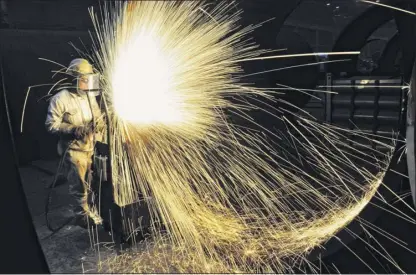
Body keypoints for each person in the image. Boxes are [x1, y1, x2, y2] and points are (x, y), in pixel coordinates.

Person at [45, 58, 104, 227]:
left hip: (92, 147)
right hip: (74, 151)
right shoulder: (60, 99)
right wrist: (72, 129)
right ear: (74, 79)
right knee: (79, 185)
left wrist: (99, 123)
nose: (88, 83)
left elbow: (97, 116)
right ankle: (81, 216)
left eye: (89, 79)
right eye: (84, 80)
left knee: (93, 181)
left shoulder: (89, 96)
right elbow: (51, 125)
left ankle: (92, 210)